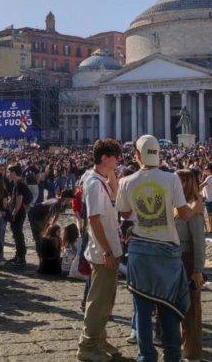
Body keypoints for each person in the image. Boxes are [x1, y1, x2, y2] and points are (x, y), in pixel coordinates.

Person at [117, 135, 193, 362]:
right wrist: (193, 206)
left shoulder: (126, 182)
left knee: (142, 308)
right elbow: (184, 213)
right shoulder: (171, 179)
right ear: (158, 153)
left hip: (140, 250)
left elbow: (124, 213)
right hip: (167, 250)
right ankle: (172, 355)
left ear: (137, 155)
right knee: (169, 307)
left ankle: (145, 356)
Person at [77, 138, 123, 362]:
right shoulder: (94, 184)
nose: (119, 160)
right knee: (99, 302)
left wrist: (110, 171)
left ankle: (99, 338)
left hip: (105, 248)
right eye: (115, 156)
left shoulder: (98, 178)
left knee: (104, 300)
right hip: (102, 251)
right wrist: (107, 251)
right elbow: (94, 220)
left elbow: (116, 192)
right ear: (104, 158)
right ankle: (87, 346)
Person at [175, 169, 206, 362]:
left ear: (187, 183)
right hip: (173, 258)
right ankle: (179, 345)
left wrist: (198, 270)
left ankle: (192, 350)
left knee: (191, 308)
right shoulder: (175, 203)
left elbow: (199, 242)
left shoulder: (194, 206)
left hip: (186, 258)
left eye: (178, 181)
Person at [6, 164, 31, 266]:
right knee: (17, 235)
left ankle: (21, 257)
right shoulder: (19, 183)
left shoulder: (19, 184)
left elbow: (19, 200)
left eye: (9, 172)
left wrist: (14, 212)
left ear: (14, 173)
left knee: (18, 235)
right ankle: (18, 255)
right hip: (19, 212)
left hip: (18, 213)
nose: (8, 174)